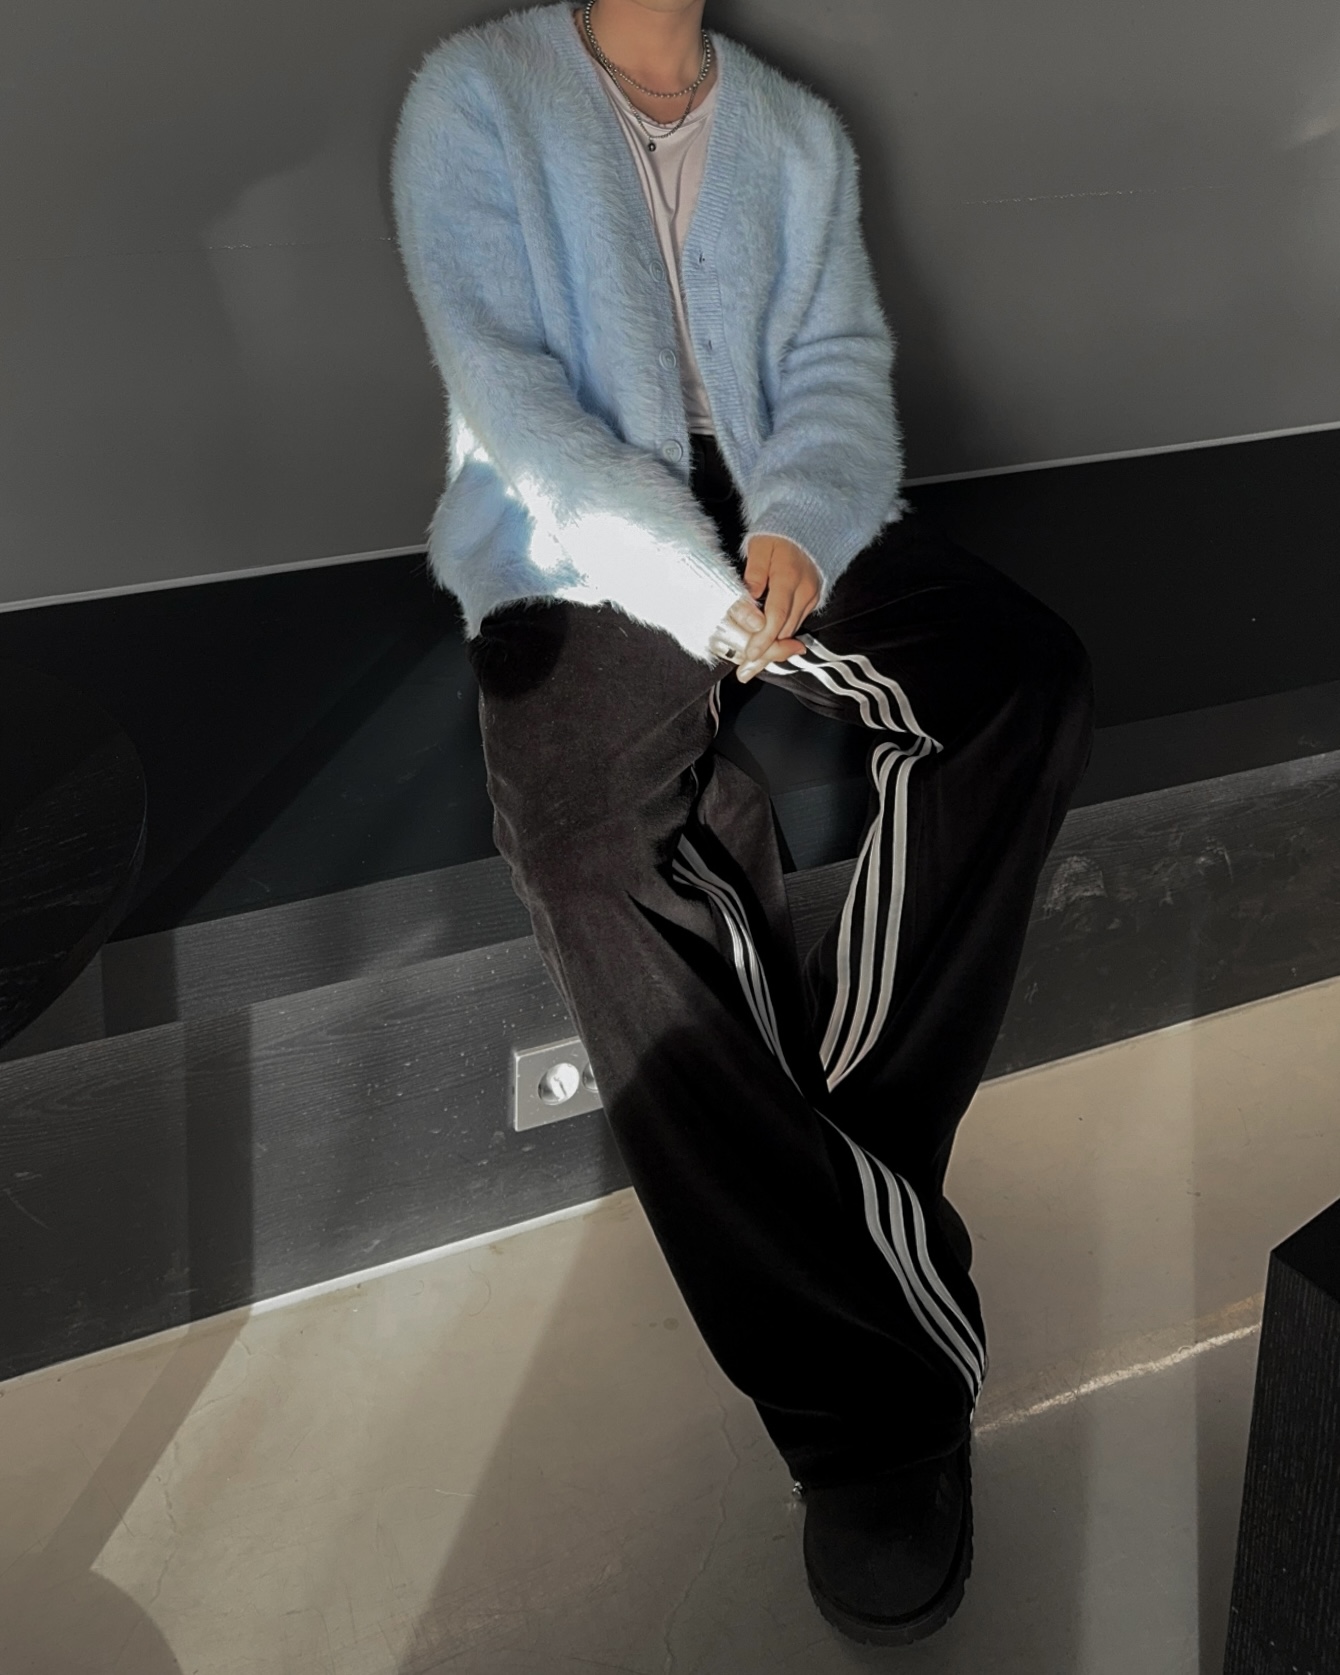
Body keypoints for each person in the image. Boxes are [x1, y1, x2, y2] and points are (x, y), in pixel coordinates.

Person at [391, 0, 1093, 1646]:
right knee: (585, 851)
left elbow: (837, 367)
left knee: (1022, 681)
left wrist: (800, 521)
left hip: (781, 502)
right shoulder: (476, 96)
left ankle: (836, 1156)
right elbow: (507, 389)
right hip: (579, 528)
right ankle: (872, 1421)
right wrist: (685, 582)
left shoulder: (791, 131)